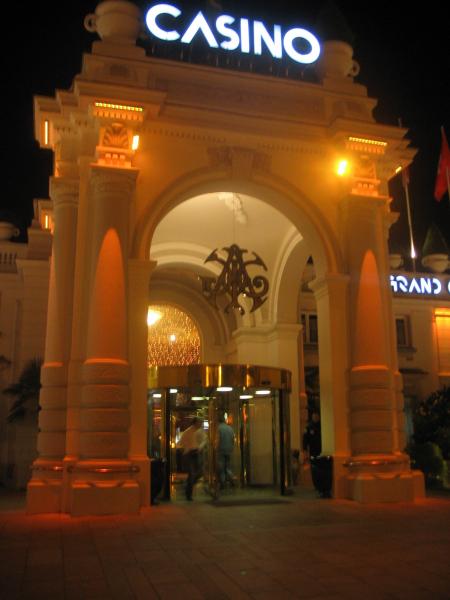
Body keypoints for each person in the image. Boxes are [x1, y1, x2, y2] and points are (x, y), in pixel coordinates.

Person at [178, 416, 207, 501]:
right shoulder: (188, 432)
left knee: (199, 472)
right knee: (192, 474)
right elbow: (181, 444)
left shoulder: (200, 431)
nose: (201, 424)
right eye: (199, 422)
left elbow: (204, 440)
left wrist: (200, 447)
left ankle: (188, 486)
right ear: (195, 423)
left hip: (195, 453)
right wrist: (187, 449)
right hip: (189, 454)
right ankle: (188, 493)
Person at [216, 414, 235, 489]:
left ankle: (223, 483)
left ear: (218, 421)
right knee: (227, 467)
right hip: (229, 449)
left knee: (222, 467)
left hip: (221, 449)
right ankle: (231, 479)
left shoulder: (219, 428)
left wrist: (216, 447)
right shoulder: (230, 428)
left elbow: (218, 439)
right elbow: (233, 439)